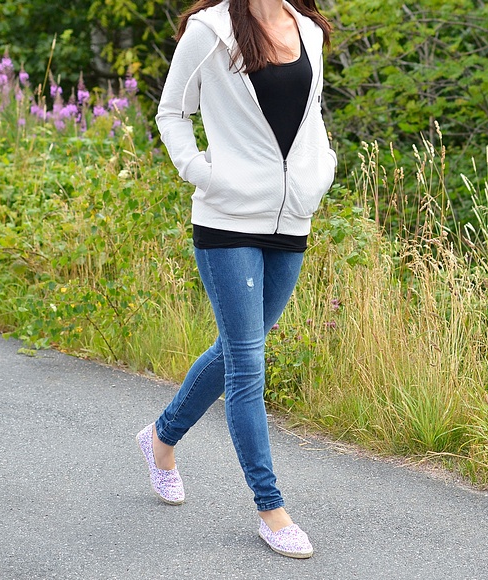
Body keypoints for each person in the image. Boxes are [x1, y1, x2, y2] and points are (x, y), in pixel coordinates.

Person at [136, 0, 336, 559]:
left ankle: (160, 437)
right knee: (248, 364)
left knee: (237, 349)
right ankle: (271, 511)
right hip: (226, 219)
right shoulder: (211, 32)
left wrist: (322, 168)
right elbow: (171, 113)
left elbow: (311, 115)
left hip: (291, 218)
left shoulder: (307, 29)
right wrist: (203, 173)